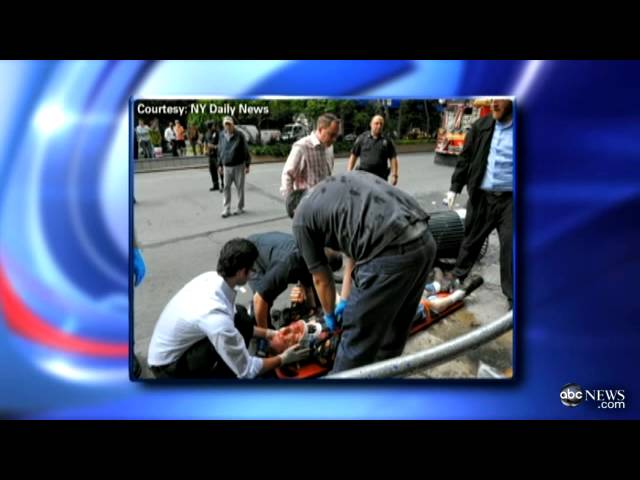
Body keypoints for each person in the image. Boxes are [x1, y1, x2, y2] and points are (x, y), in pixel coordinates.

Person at [286, 171, 436, 373]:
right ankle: (383, 378)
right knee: (394, 331)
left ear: (294, 212)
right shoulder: (332, 192)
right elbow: (352, 255)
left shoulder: (301, 219)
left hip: (390, 252)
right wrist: (344, 300)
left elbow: (321, 279)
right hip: (424, 241)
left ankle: (343, 390)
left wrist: (329, 315)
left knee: (354, 342)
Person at [147, 238, 309, 379]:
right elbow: (247, 370)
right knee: (231, 362)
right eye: (252, 270)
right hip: (168, 367)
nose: (253, 274)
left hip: (175, 344)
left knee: (241, 315)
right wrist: (283, 358)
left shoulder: (211, 278)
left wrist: (270, 333)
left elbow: (234, 317)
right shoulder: (216, 317)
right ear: (241, 272)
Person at [443, 98, 513, 309]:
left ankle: (513, 298)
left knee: (511, 248)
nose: (493, 104)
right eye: (491, 99)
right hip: (483, 197)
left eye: (499, 99)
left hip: (511, 201)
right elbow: (465, 159)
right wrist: (455, 188)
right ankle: (454, 280)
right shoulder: (480, 127)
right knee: (470, 241)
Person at [247, 231, 342, 329]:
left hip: (276, 248)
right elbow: (260, 299)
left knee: (314, 293)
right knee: (263, 299)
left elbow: (309, 286)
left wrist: (313, 312)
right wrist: (268, 335)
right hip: (254, 255)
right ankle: (255, 322)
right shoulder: (289, 265)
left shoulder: (312, 254)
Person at [280, 113, 340, 196]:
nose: (334, 139)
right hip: (306, 201)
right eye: (331, 135)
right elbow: (287, 175)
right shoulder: (302, 147)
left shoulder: (329, 147)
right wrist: (292, 201)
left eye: (336, 135)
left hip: (325, 199)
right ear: (320, 130)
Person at [347, 115, 399, 185]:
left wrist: (394, 175)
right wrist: (349, 173)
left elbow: (393, 158)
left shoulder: (387, 140)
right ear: (371, 124)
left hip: (381, 178)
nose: (379, 126)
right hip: (364, 177)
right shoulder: (362, 138)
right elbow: (353, 155)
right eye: (376, 123)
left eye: (381, 124)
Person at [218, 116, 251, 218]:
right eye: (226, 124)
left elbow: (245, 149)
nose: (227, 126)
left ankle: (240, 207)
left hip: (238, 165)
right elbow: (220, 150)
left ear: (233, 125)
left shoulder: (240, 135)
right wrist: (219, 164)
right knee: (226, 187)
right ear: (224, 125)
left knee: (239, 187)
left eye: (229, 124)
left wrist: (247, 164)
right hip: (226, 165)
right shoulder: (222, 135)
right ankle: (226, 208)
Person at [206, 122, 222, 191]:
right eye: (212, 126)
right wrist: (205, 150)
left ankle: (223, 185)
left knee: (220, 170)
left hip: (217, 155)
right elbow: (206, 142)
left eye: (214, 125)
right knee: (212, 170)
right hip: (210, 155)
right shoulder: (207, 133)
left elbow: (221, 143)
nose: (214, 127)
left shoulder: (218, 133)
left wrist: (215, 146)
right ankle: (215, 185)